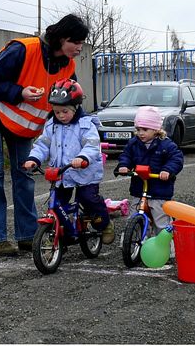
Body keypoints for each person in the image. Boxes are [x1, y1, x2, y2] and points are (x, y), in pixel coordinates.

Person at [0, 14, 89, 256]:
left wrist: (87, 128)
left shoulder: (68, 65)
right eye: (76, 42)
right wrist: (19, 92)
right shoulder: (22, 50)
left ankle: (26, 235)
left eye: (81, 43)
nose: (79, 48)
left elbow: (72, 101)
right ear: (62, 38)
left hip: (23, 125)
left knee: (25, 174)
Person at [23, 79, 115, 244]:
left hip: (85, 172)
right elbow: (43, 144)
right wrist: (34, 158)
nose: (61, 116)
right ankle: (61, 234)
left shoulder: (85, 124)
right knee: (57, 203)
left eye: (65, 111)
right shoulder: (52, 125)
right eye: (57, 112)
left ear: (75, 108)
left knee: (88, 199)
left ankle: (105, 224)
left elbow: (92, 145)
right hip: (61, 174)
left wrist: (82, 158)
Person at [116, 106, 184, 257]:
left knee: (161, 220)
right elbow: (125, 155)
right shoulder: (134, 143)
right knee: (134, 215)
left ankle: (167, 247)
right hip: (139, 188)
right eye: (138, 129)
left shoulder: (166, 145)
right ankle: (133, 239)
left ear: (156, 129)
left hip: (159, 190)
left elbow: (177, 159)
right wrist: (124, 166)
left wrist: (167, 170)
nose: (141, 133)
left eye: (145, 129)